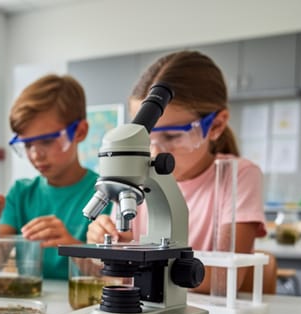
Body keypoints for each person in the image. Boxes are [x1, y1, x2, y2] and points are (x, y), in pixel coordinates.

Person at [86, 50, 266, 293]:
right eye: (145, 137)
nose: (155, 151)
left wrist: (140, 266)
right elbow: (115, 275)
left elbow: (222, 280)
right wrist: (106, 245)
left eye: (171, 135)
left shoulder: (237, 176)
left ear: (216, 126)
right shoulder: (136, 178)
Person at [0, 74, 104, 279]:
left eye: (47, 141)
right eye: (28, 144)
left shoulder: (106, 194)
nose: (35, 155)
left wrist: (72, 247)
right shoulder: (21, 193)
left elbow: (112, 276)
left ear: (79, 131)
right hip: (31, 305)